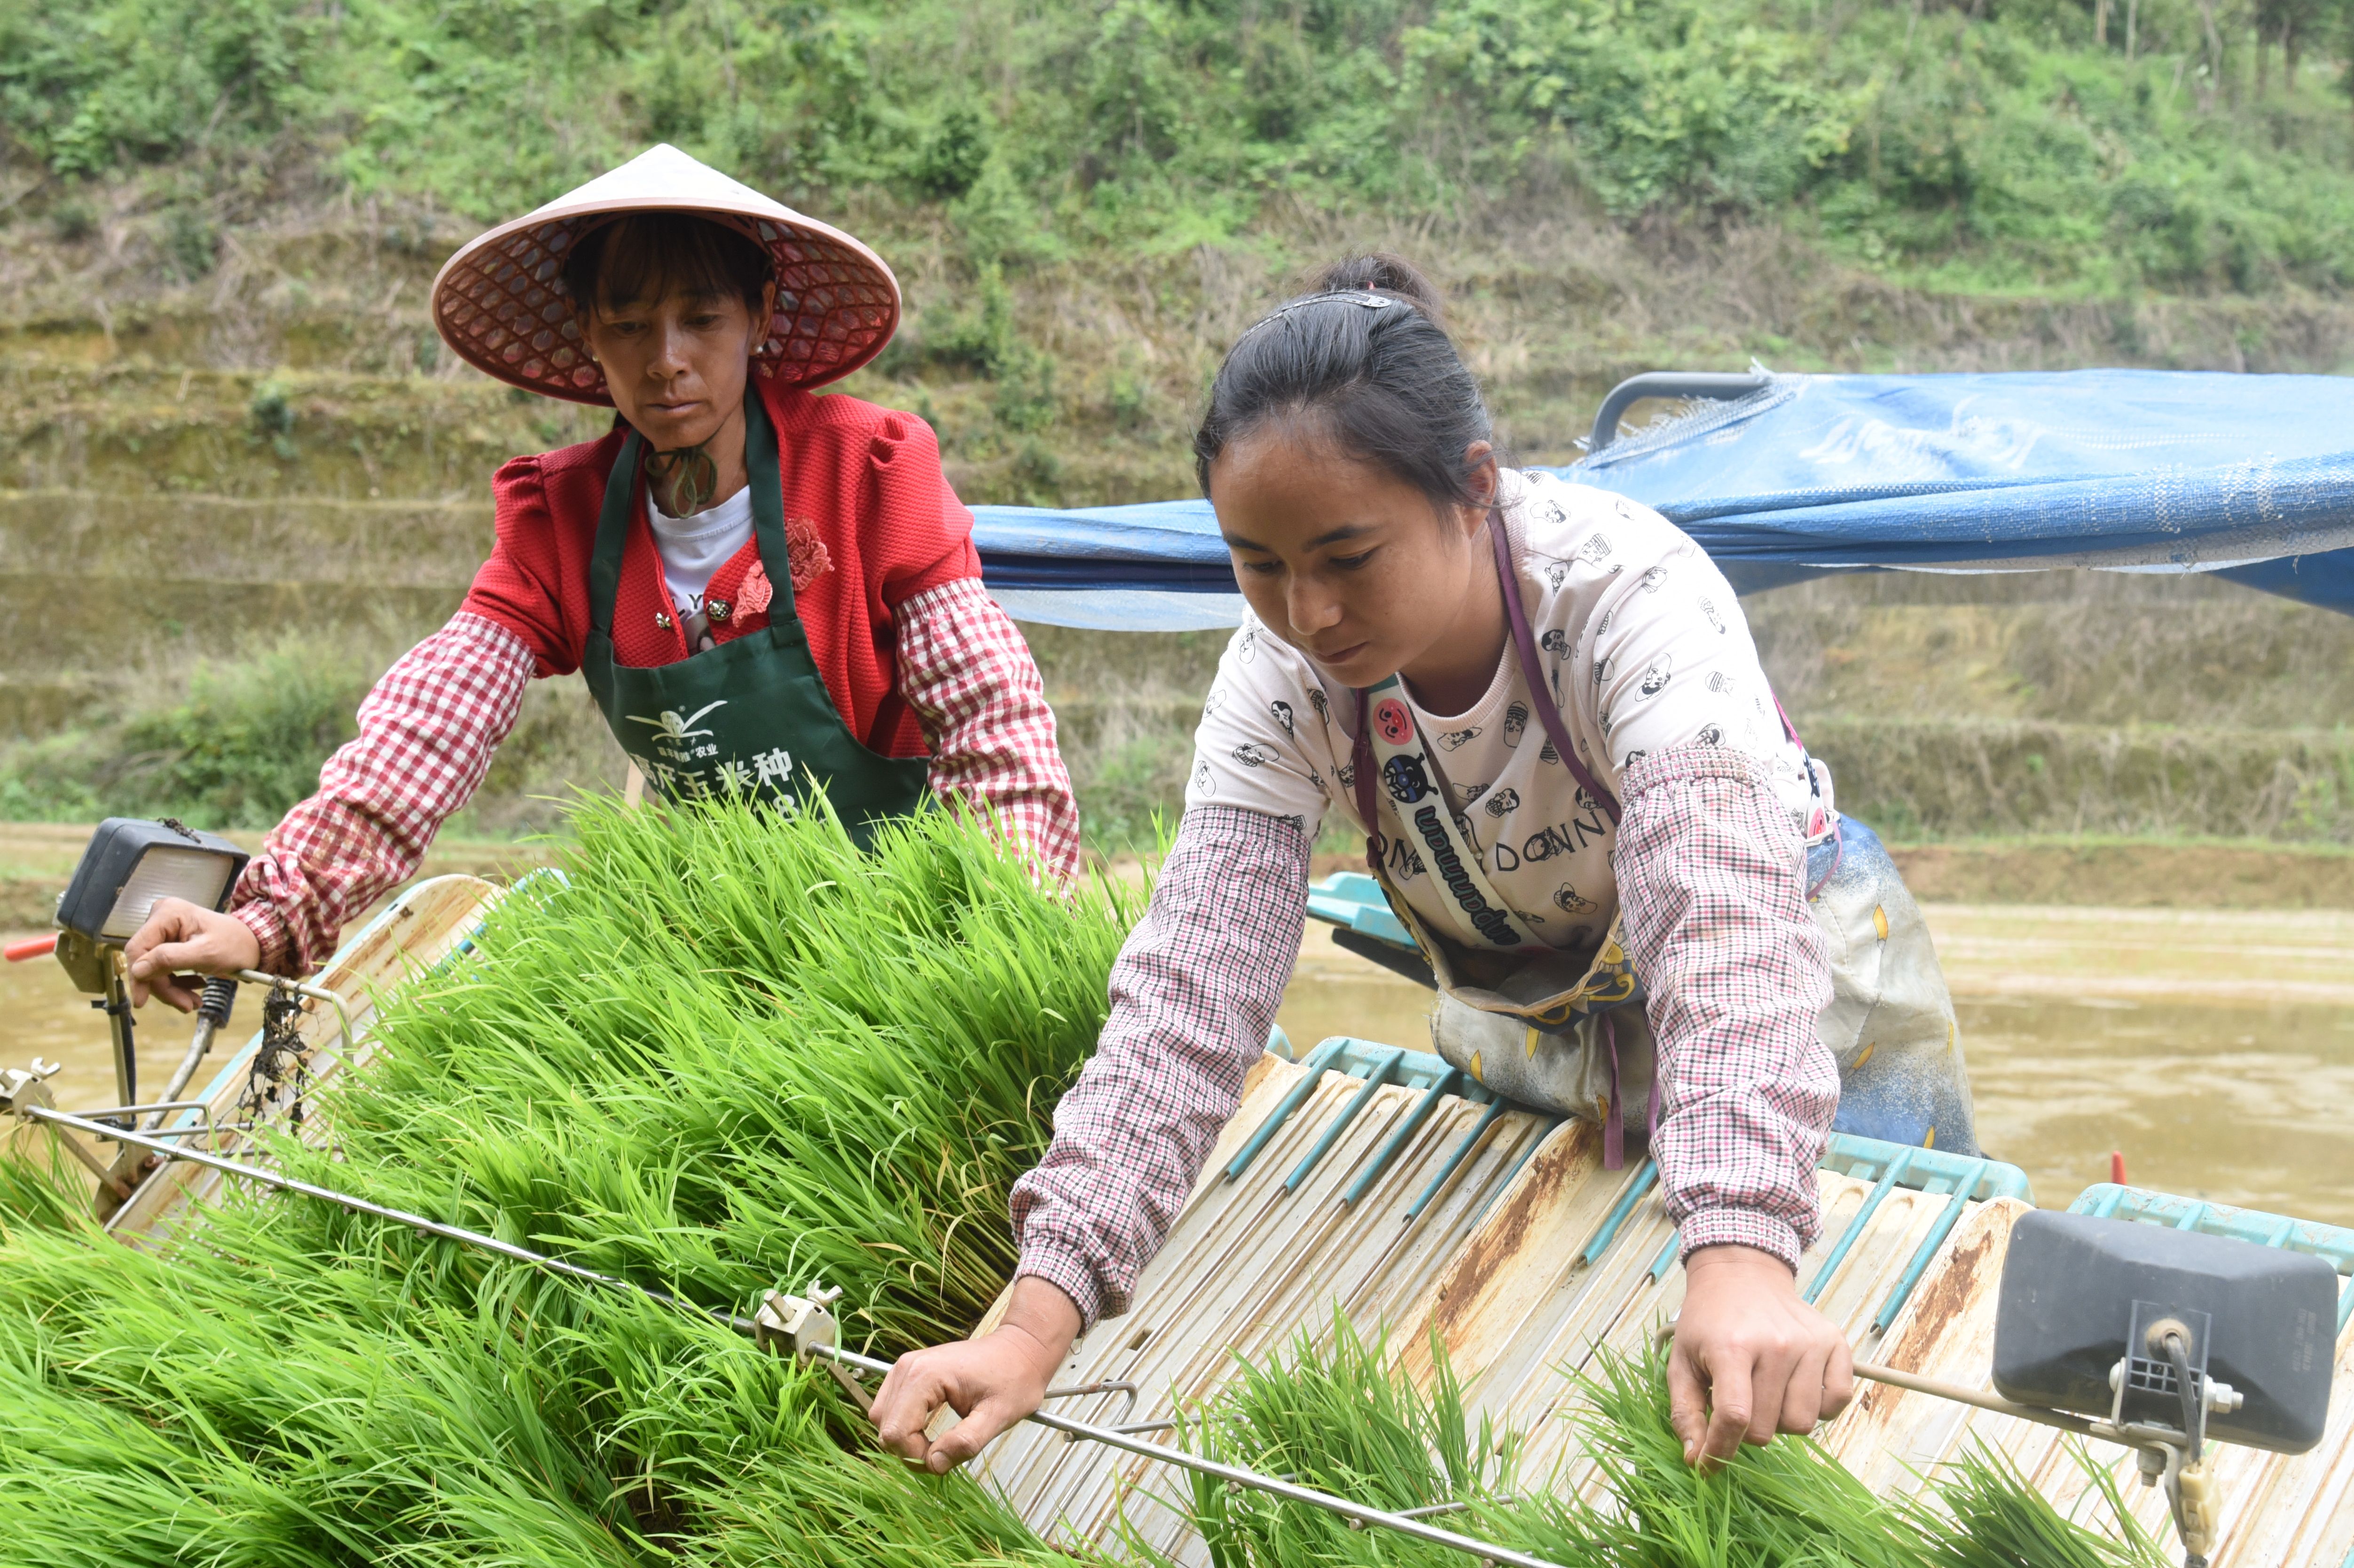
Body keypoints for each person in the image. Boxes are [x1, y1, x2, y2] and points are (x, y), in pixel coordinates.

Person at [868, 255, 1976, 1474]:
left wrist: (1747, 1251)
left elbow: (1716, 936)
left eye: (1348, 557)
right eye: (1260, 564)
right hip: (1551, 1008)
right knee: (1587, 1372)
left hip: (1789, 993)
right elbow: (1191, 990)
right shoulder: (1281, 675)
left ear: (1474, 492)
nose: (1310, 615)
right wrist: (1037, 1317)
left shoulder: (1625, 597)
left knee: (1853, 1365)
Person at [120, 144, 1079, 1011]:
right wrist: (266, 919)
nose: (666, 363)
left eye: (701, 320)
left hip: (918, 925)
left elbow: (993, 722)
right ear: (585, 333)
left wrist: (991, 945)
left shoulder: (870, 469)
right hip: (731, 951)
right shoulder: (559, 520)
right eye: (627, 326)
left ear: (760, 317)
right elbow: (430, 728)